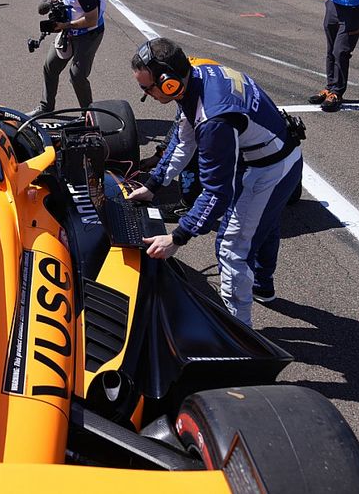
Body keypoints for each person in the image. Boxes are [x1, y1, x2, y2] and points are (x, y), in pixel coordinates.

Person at [128, 38, 303, 327]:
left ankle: (240, 334)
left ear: (169, 82)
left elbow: (217, 192)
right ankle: (261, 286)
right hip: (279, 155)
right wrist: (153, 186)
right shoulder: (197, 74)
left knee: (231, 247)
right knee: (264, 223)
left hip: (269, 169)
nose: (146, 95)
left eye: (148, 88)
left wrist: (177, 237)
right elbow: (182, 140)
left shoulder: (213, 120)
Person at [29, 0, 106, 115]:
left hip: (89, 33)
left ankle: (89, 114)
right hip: (69, 29)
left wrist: (66, 25)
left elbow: (91, 20)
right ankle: (46, 107)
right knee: (50, 66)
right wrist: (54, 2)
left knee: (77, 75)